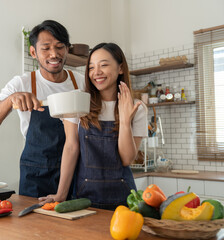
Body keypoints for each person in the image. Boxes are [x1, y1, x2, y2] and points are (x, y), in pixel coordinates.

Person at [0, 20, 85, 198]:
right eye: (46, 48)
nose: (54, 54)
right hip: (36, 174)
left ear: (67, 49)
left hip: (77, 170)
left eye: (60, 47)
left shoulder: (81, 82)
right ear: (33, 52)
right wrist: (10, 100)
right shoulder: (23, 83)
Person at [40, 42, 147, 209]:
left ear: (120, 68)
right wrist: (60, 194)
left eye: (103, 65)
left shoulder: (136, 107)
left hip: (124, 199)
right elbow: (71, 147)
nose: (96, 72)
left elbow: (127, 159)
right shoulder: (77, 100)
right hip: (84, 197)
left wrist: (125, 121)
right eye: (91, 67)